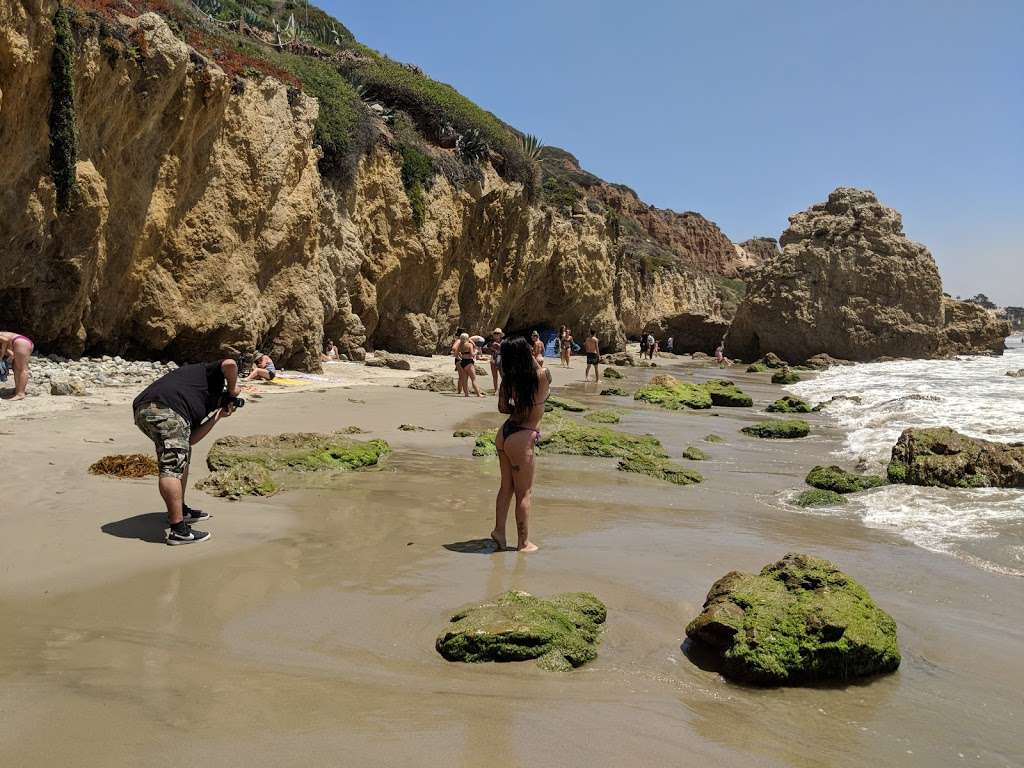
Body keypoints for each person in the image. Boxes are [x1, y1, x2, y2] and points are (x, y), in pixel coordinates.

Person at [132, 358, 241, 545]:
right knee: (171, 466)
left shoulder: (195, 397)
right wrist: (232, 389)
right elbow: (230, 363)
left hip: (144, 408)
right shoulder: (210, 375)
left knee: (181, 453)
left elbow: (190, 440)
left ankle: (180, 511)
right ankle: (178, 530)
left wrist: (218, 416)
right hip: (166, 407)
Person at [492, 336, 550, 552]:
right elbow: (539, 365)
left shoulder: (509, 379)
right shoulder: (541, 376)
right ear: (527, 353)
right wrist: (529, 353)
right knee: (524, 493)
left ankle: (499, 531)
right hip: (523, 436)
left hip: (505, 433)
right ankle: (523, 542)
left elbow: (503, 409)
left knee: (506, 487)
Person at [0, 331, 33, 400]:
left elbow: (5, 340)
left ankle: (21, 393)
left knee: (22, 369)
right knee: (16, 368)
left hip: (20, 342)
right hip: (19, 342)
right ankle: (18, 391)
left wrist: (2, 354)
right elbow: (9, 350)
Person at [456, 332, 483, 397]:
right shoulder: (469, 345)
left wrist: (461, 357)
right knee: (473, 379)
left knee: (464, 380)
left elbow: (456, 354)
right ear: (467, 338)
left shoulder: (460, 345)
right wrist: (476, 352)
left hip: (462, 362)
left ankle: (466, 394)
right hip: (469, 362)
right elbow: (472, 354)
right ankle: (478, 394)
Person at [451, 327, 468, 395]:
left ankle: (460, 390)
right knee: (462, 376)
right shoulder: (459, 341)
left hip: (459, 360)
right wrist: (459, 355)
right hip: (459, 360)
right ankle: (460, 391)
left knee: (462, 376)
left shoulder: (460, 340)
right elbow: (454, 348)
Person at [487, 328, 504, 393]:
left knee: (502, 375)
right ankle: (496, 390)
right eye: (495, 333)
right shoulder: (490, 342)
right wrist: (491, 348)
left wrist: (499, 346)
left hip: (501, 359)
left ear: (500, 335)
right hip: (493, 359)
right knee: (494, 376)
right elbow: (487, 349)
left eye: (497, 333)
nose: (496, 335)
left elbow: (506, 350)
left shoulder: (503, 342)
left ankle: (504, 389)